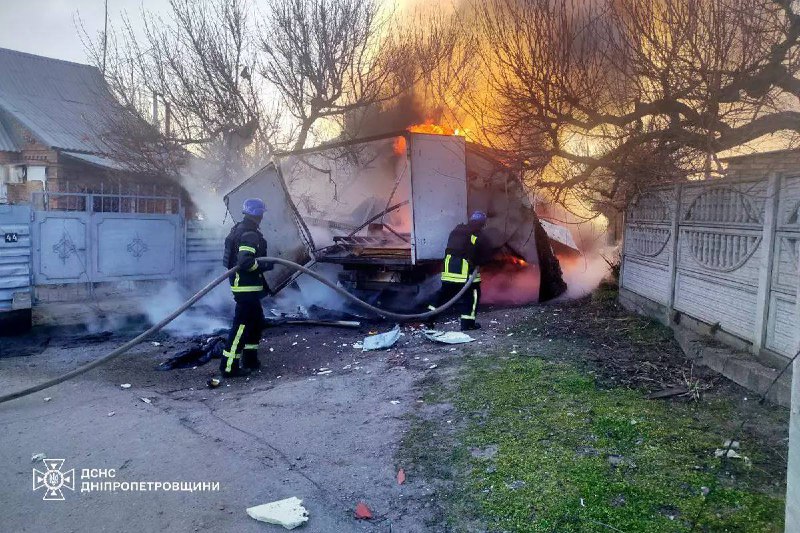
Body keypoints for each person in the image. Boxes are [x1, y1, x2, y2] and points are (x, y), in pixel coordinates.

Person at [219, 198, 272, 377]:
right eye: (262, 214)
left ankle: (250, 360)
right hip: (245, 288)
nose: (263, 217)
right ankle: (228, 367)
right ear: (258, 214)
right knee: (241, 327)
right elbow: (245, 262)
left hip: (249, 288)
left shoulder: (240, 229)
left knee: (256, 322)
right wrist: (265, 265)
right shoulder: (249, 234)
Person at [427, 211, 490, 331]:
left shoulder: (456, 231)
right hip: (465, 273)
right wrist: (479, 263)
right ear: (482, 223)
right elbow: (483, 253)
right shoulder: (477, 234)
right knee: (472, 296)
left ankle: (428, 319)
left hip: (448, 270)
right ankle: (468, 324)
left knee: (442, 296)